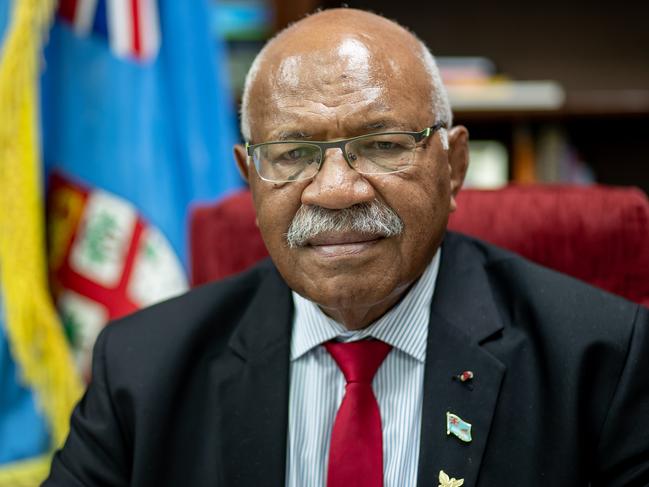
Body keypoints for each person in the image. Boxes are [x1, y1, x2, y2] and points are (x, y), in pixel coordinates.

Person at [44, 8, 649, 487]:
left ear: (454, 165)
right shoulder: (141, 369)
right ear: (251, 178)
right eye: (292, 154)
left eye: (384, 144)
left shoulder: (600, 359)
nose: (335, 191)